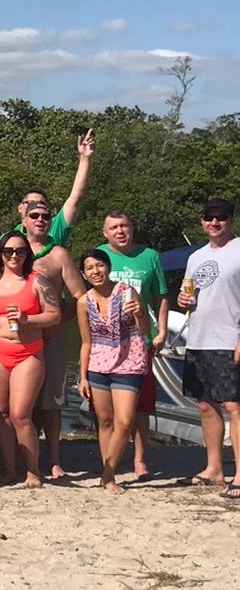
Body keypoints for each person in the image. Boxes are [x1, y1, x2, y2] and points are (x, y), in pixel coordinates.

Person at [96, 210, 169, 480]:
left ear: (132, 228)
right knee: (104, 411)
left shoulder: (150, 256)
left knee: (141, 405)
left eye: (124, 225)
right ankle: (108, 462)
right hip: (107, 343)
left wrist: (161, 331)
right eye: (113, 227)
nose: (120, 231)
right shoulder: (99, 256)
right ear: (105, 233)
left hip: (140, 339)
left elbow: (161, 296)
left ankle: (140, 460)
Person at [0, 233, 62, 488]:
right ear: (0, 254)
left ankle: (33, 471)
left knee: (20, 414)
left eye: (20, 251)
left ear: (27, 254)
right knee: (3, 414)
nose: (14, 256)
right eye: (8, 251)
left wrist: (28, 319)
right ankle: (9, 469)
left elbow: (54, 315)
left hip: (28, 352)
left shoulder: (37, 281)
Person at [178, 197, 240, 494]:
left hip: (230, 337)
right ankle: (214, 468)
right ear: (202, 221)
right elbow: (187, 293)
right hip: (199, 337)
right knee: (205, 404)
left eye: (221, 217)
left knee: (234, 406)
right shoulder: (195, 256)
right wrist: (182, 300)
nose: (215, 223)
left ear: (230, 220)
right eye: (209, 218)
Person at [22, 200, 86, 479]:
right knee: (22, 401)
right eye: (34, 215)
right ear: (23, 219)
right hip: (18, 337)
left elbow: (80, 297)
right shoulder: (13, 249)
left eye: (46, 216)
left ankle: (55, 458)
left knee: (52, 400)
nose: (40, 220)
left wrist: (57, 323)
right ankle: (22, 456)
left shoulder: (58, 254)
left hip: (50, 335)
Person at [77, 250, 150, 494]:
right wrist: (83, 376)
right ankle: (109, 473)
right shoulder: (83, 302)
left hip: (130, 360)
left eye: (100, 265)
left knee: (125, 421)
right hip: (98, 362)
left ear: (108, 267)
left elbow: (145, 329)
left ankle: (107, 475)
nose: (96, 271)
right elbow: (86, 342)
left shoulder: (127, 291)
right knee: (105, 421)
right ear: (84, 274)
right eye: (89, 268)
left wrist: (139, 313)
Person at [14, 127, 96, 249]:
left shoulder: (54, 228)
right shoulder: (10, 238)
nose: (37, 206)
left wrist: (85, 158)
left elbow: (76, 198)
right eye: (31, 203)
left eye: (41, 203)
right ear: (20, 208)